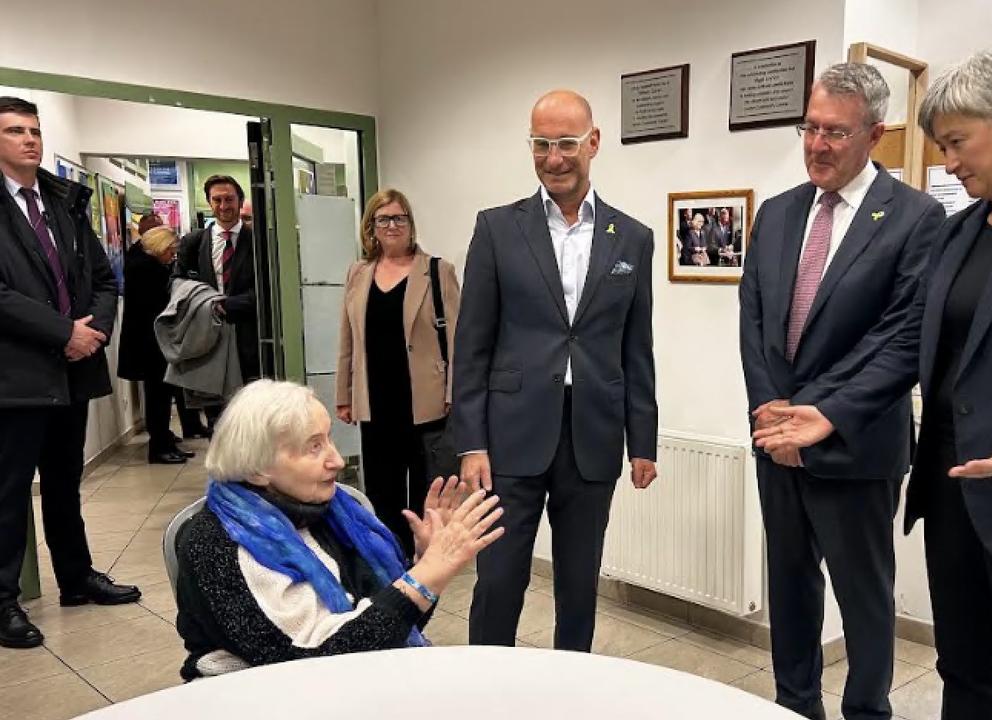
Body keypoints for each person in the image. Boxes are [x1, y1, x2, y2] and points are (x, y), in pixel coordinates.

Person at [754, 49, 992, 720]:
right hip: (958, 487)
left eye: (958, 142)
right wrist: (832, 413)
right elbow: (908, 342)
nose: (950, 162)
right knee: (963, 673)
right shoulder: (959, 230)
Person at [739, 63, 944, 720]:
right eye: (810, 127)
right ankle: (794, 706)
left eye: (835, 132)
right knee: (791, 591)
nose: (817, 145)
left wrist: (818, 416)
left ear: (874, 134)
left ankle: (866, 711)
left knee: (863, 598)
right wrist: (773, 415)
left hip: (857, 448)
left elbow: (900, 335)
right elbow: (754, 321)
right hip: (776, 446)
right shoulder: (776, 214)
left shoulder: (915, 218)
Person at [453, 89, 658, 652]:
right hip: (508, 438)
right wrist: (471, 441)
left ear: (593, 143)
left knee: (578, 585)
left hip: (592, 435)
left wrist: (644, 440)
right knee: (497, 581)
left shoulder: (632, 238)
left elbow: (636, 348)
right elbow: (472, 346)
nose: (554, 157)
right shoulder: (497, 228)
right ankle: (489, 691)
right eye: (541, 144)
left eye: (566, 143)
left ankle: (572, 693)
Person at [174, 379, 504, 680]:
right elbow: (316, 660)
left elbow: (390, 628)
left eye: (329, 438)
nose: (337, 461)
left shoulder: (334, 515)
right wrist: (425, 576)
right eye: (313, 447)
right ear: (258, 468)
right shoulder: (218, 543)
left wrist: (424, 564)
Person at [0, 96, 142, 649]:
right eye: (15, 131)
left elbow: (106, 280)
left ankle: (77, 579)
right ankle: (4, 601)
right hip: (18, 377)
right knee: (10, 493)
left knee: (64, 485)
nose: (30, 140)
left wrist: (94, 333)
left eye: (34, 130)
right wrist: (65, 332)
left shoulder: (63, 204)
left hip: (72, 373)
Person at [336, 189, 462, 555]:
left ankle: (424, 559)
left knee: (426, 493)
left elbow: (458, 340)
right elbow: (348, 339)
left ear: (410, 224)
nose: (392, 225)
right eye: (383, 219)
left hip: (425, 403)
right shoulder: (358, 273)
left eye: (399, 218)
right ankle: (391, 559)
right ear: (371, 227)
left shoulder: (437, 271)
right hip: (375, 402)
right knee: (382, 491)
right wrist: (344, 394)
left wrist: (455, 391)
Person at [174, 175, 261, 408]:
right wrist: (206, 303)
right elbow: (177, 284)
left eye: (229, 199)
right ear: (209, 203)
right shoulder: (193, 243)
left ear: (240, 201)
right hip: (207, 336)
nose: (224, 206)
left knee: (249, 411)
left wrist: (228, 305)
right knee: (214, 412)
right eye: (217, 200)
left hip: (249, 337)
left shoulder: (259, 242)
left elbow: (267, 290)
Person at [119, 225, 199, 464]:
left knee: (161, 397)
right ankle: (159, 447)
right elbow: (159, 304)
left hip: (150, 343)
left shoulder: (141, 264)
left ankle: (164, 440)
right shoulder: (145, 270)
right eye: (170, 251)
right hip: (151, 344)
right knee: (158, 398)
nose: (172, 256)